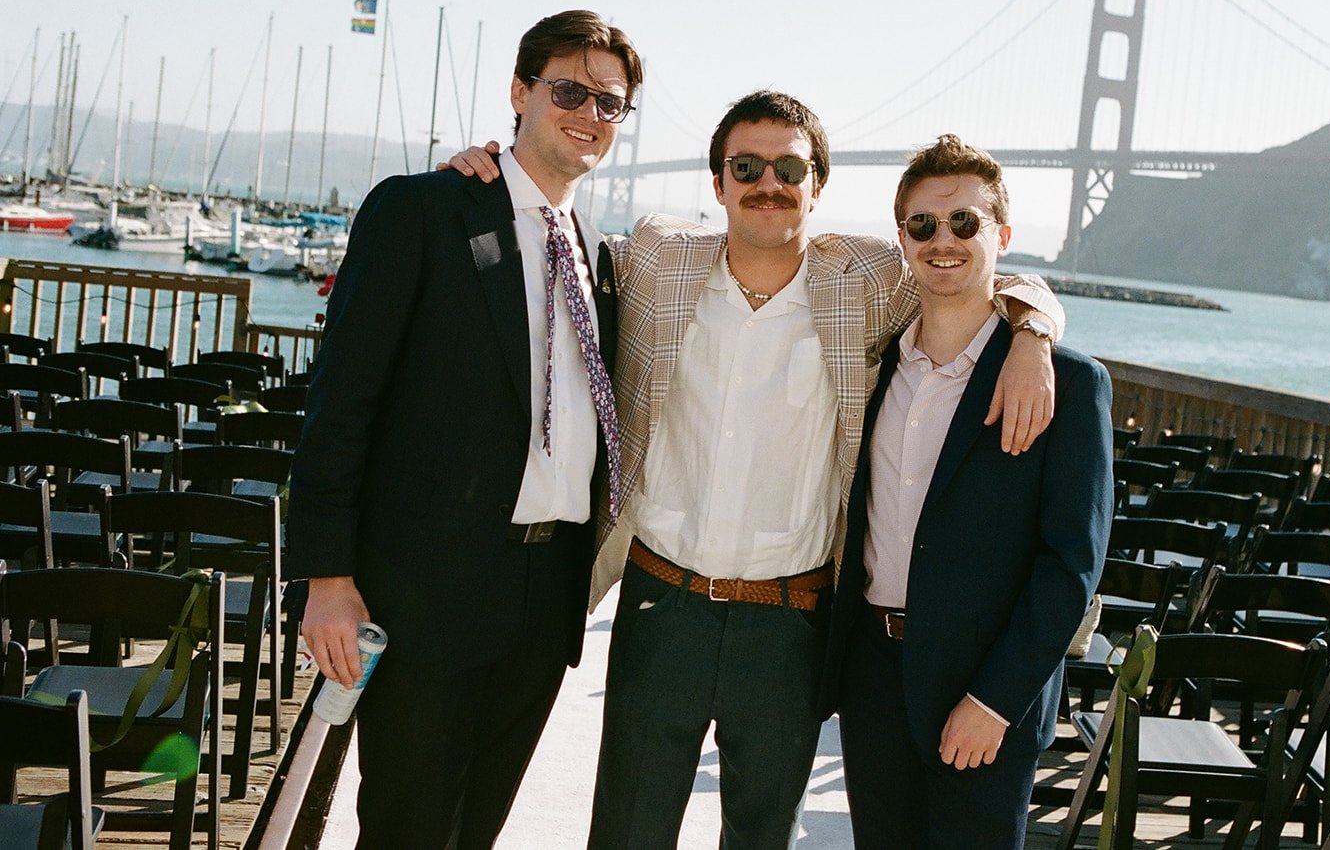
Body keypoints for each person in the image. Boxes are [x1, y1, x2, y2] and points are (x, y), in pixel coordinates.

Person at [446, 94, 1064, 850]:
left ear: (817, 186)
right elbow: (552, 245)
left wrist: (1034, 329)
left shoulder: (866, 281)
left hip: (789, 628)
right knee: (626, 835)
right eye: (746, 167)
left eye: (789, 169)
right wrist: (489, 177)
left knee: (763, 840)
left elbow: (974, 270)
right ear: (718, 184)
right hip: (659, 610)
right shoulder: (658, 258)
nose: (767, 183)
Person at [287, 9, 642, 850]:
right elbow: (341, 403)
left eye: (609, 103)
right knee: (406, 830)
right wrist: (326, 578)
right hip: (427, 591)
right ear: (520, 92)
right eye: (569, 91)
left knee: (473, 832)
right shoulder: (422, 210)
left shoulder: (599, 255)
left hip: (545, 596)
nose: (589, 114)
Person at [819, 134, 1113, 850]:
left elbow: (1072, 563)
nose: (942, 240)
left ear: (1003, 236)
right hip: (874, 680)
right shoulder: (873, 365)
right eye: (922, 224)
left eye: (965, 222)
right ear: (902, 238)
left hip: (984, 696)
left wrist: (995, 701)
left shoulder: (1070, 385)